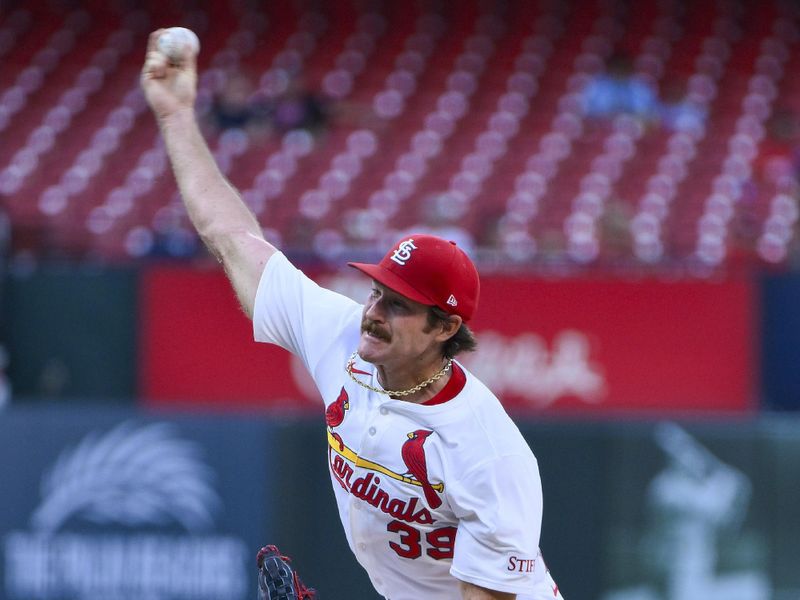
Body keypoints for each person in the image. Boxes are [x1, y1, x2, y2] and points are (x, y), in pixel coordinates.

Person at [141, 29, 563, 600]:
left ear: (445, 328)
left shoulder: (485, 453)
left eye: (399, 305)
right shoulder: (343, 337)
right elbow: (231, 237)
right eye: (377, 292)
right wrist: (177, 115)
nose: (374, 312)